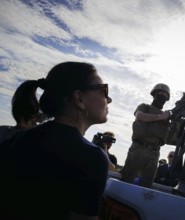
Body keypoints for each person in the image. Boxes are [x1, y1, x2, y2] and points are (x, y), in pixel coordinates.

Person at [0, 62, 111, 220]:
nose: (109, 99)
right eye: (104, 90)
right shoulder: (91, 157)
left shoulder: (16, 139)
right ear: (79, 99)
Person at [119, 83, 171, 188]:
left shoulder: (166, 116)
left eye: (165, 95)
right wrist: (161, 117)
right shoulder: (145, 107)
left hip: (155, 152)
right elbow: (139, 116)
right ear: (154, 94)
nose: (162, 96)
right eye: (160, 93)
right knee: (126, 179)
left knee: (146, 185)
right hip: (139, 148)